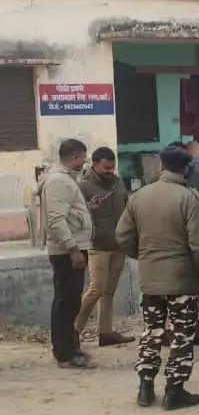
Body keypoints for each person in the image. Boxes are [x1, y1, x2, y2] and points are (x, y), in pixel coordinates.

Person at [116, 146, 199, 411]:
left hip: (150, 279)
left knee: (152, 331)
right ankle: (174, 391)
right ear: (186, 168)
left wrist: (143, 256)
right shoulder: (188, 198)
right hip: (181, 279)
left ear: (161, 165)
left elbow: (122, 236)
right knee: (182, 335)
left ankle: (145, 387)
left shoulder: (139, 196)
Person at [39, 139, 95, 369]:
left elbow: (67, 213)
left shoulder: (64, 179)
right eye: (83, 157)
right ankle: (65, 353)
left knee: (70, 301)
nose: (85, 161)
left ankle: (69, 348)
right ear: (74, 156)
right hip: (67, 251)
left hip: (71, 247)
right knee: (66, 302)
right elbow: (55, 220)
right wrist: (73, 249)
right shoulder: (59, 181)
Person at [74, 147, 134, 347]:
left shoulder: (118, 182)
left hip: (118, 245)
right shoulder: (83, 186)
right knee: (96, 289)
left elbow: (127, 207)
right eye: (106, 168)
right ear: (94, 164)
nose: (110, 171)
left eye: (112, 168)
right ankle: (74, 330)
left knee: (108, 291)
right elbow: (77, 215)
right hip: (97, 245)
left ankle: (105, 333)